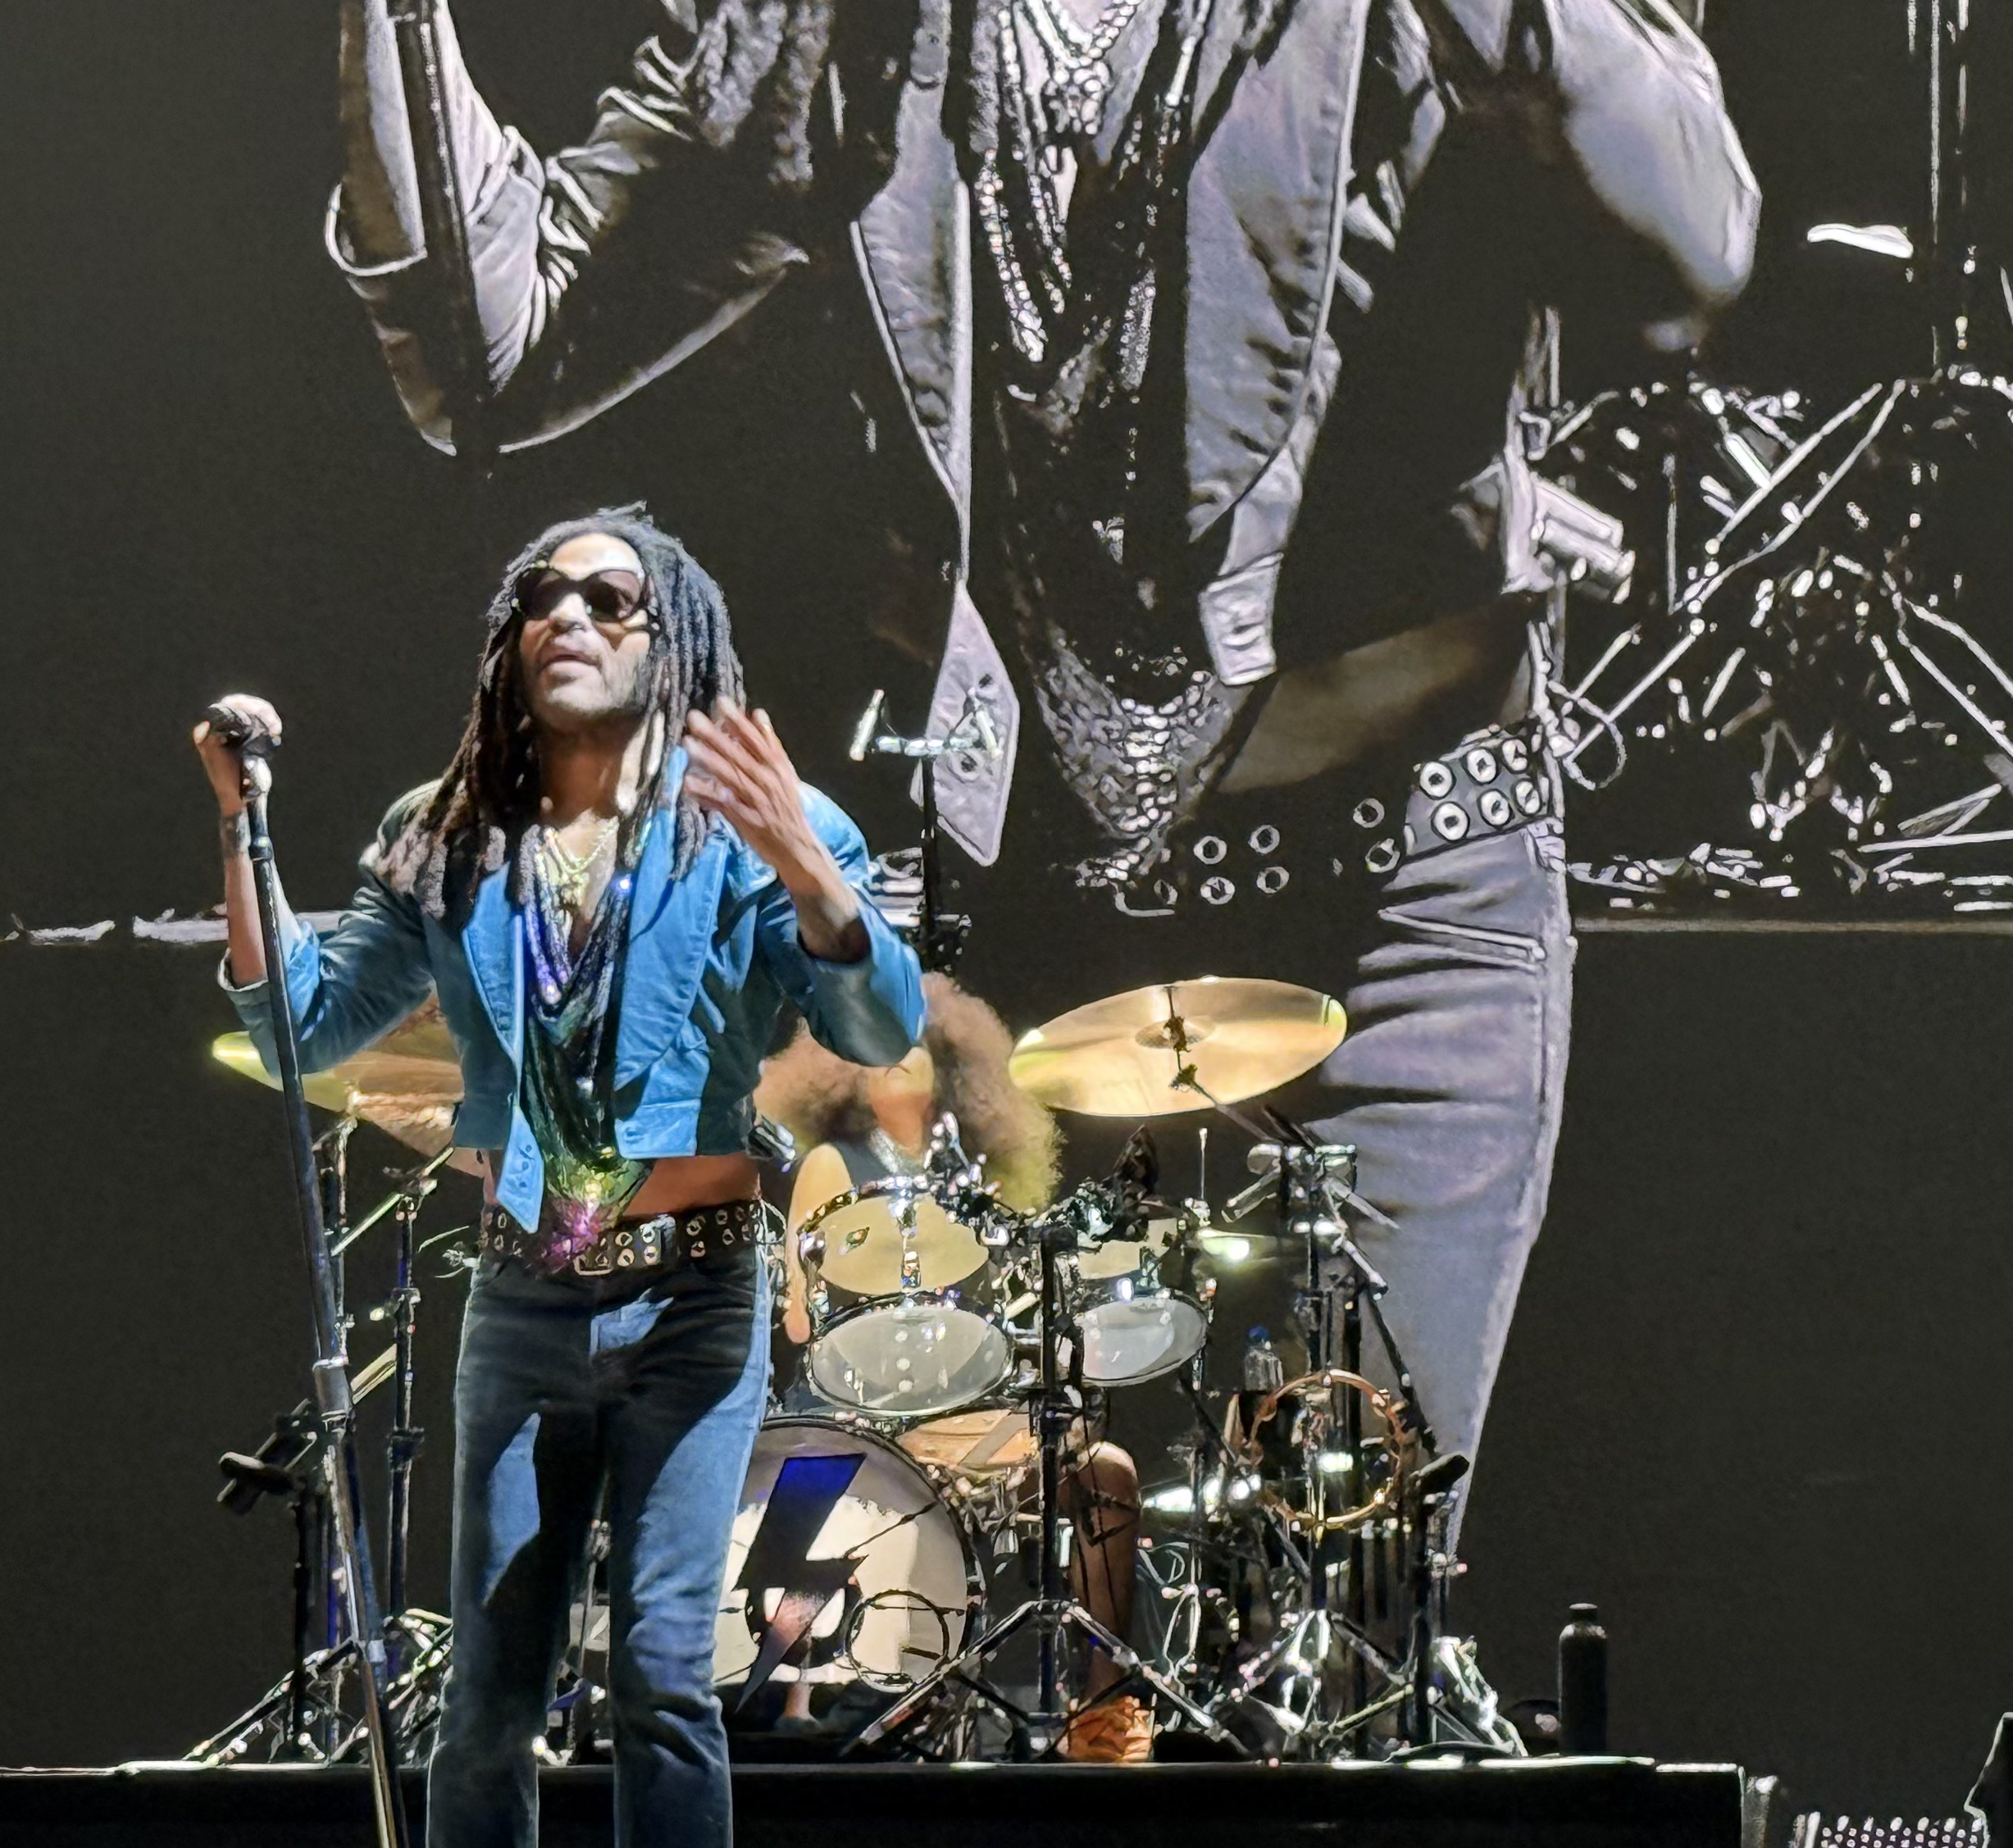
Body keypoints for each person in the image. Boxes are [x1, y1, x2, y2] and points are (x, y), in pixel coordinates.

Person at [314, 0, 1758, 1500]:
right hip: (1017, 931)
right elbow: (490, 352)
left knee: (1339, 1579)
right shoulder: (861, 30)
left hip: (1390, 931)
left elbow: (1685, 255)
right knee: (1001, 1594)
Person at [195, 509, 925, 1848]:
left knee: (660, 1680)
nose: (567, 616)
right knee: (485, 1703)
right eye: (541, 595)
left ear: (671, 638)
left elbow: (879, 1031)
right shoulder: (448, 833)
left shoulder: (754, 826)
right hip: (525, 1298)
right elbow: (302, 1024)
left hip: (694, 1298)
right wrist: (246, 826)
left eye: (607, 596)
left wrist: (809, 866)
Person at [757, 976, 1154, 1759]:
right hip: (856, 1410)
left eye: (912, 1048)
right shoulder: (833, 1164)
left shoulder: (980, 1176)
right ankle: (816, 1698)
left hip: (967, 1409)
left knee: (1105, 1470)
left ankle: (1103, 1706)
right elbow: (800, 1319)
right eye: (875, 1048)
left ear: (947, 1068)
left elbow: (1013, 1308)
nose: (894, 1061)